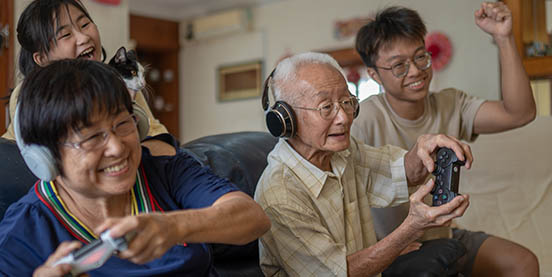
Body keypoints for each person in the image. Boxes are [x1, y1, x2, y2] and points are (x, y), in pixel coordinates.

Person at [0, 59, 271, 276]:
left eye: (122, 123)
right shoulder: (23, 231)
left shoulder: (164, 169)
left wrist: (174, 226)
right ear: (46, 156)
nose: (118, 148)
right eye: (93, 137)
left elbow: (252, 218)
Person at [351, 3, 538, 277]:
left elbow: (520, 113)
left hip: (443, 237)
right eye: (399, 66)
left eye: (420, 57)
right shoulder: (363, 118)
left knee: (523, 263)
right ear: (375, 74)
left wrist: (503, 38)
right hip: (390, 247)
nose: (415, 71)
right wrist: (384, 247)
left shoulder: (450, 104)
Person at [254, 52, 472, 276]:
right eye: (326, 107)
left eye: (346, 102)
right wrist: (411, 229)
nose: (344, 118)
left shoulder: (344, 153)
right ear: (284, 120)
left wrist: (423, 148)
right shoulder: (280, 196)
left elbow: (402, 173)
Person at [2, 0, 175, 156]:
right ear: (43, 58)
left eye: (84, 24)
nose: (84, 38)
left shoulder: (120, 82)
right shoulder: (30, 94)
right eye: (65, 35)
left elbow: (161, 142)